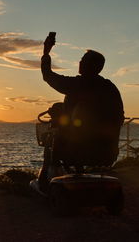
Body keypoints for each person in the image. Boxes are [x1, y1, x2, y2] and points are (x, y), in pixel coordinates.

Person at [38, 33, 124, 188]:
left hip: (78, 149)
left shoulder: (79, 84)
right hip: (107, 150)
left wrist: (46, 52)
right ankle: (77, 171)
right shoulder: (110, 87)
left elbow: (48, 76)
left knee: (54, 135)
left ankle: (45, 181)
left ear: (90, 66)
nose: (79, 62)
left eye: (83, 60)